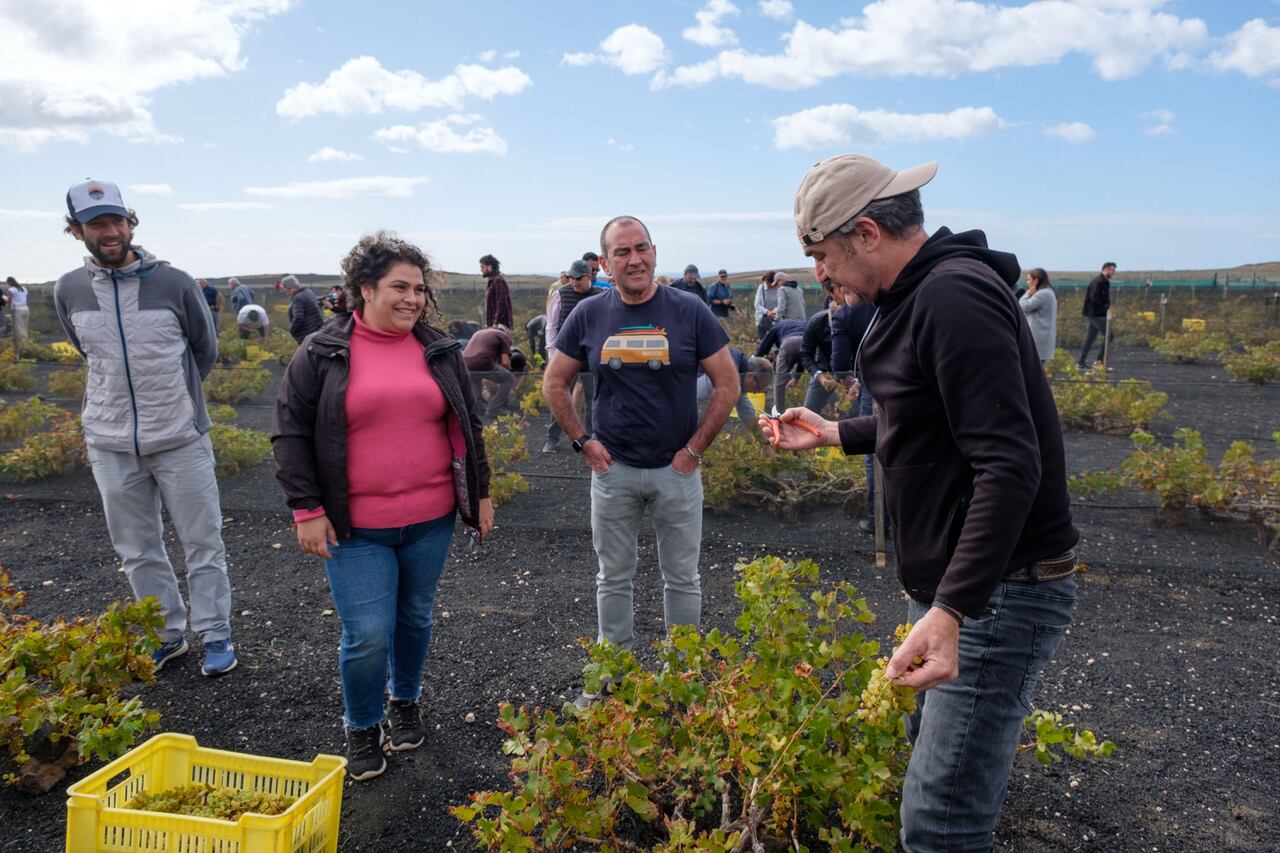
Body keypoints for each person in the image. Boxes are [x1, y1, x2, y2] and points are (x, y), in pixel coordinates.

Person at [769, 153, 1079, 851]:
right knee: (929, 785)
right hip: (968, 590)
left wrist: (951, 609)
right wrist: (835, 432)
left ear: (870, 233)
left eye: (823, 254)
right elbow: (937, 418)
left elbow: (1009, 461)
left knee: (941, 823)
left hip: (996, 593)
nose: (820, 273)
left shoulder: (951, 297)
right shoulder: (915, 296)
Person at [273, 231, 493, 781]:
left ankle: (405, 702)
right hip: (356, 528)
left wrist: (481, 494)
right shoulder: (322, 351)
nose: (412, 298)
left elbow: (470, 425)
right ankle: (362, 724)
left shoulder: (439, 350)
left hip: (431, 519)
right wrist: (306, 509)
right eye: (400, 286)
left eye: (419, 289)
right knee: (367, 632)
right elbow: (291, 433)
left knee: (415, 616)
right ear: (364, 289)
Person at [543, 215, 737, 706]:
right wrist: (583, 441)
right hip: (614, 470)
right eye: (622, 252)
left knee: (683, 577)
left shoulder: (689, 310)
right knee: (613, 576)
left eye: (642, 248)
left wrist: (693, 452)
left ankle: (683, 680)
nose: (635, 259)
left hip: (677, 472)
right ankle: (612, 678)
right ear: (605, 262)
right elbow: (553, 383)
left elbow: (728, 384)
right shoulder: (588, 313)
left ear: (654, 251)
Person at [54, 179, 235, 677]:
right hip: (110, 442)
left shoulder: (175, 283)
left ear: (131, 223)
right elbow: (84, 352)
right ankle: (167, 634)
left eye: (117, 221)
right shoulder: (68, 290)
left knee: (203, 541)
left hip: (180, 437)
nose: (109, 232)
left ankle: (216, 633)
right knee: (136, 548)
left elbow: (205, 350)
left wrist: (174, 401)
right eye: (96, 224)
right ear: (76, 231)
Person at [543, 259, 601, 452]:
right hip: (565, 354)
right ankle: (552, 438)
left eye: (577, 278)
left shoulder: (601, 296)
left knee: (594, 398)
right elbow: (551, 326)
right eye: (571, 278)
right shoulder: (560, 295)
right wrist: (552, 355)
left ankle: (593, 439)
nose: (573, 282)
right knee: (559, 395)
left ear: (588, 277)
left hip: (591, 355)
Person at [696, 347, 774, 450]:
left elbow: (747, 414)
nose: (755, 393)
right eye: (758, 388)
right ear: (751, 376)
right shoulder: (726, 373)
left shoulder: (737, 373)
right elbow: (694, 397)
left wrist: (765, 444)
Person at [463, 324, 517, 422]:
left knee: (475, 381)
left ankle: (478, 409)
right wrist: (506, 373)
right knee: (509, 378)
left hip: (465, 362)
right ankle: (493, 409)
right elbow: (505, 363)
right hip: (482, 361)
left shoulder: (479, 333)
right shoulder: (503, 335)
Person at [754, 317, 805, 410]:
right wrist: (796, 378)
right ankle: (836, 406)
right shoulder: (800, 323)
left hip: (789, 343)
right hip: (806, 342)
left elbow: (765, 345)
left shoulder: (777, 326)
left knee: (779, 382)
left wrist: (755, 359)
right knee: (817, 377)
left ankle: (779, 412)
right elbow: (803, 361)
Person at [1078, 262, 1115, 368]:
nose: (1114, 272)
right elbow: (1094, 298)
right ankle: (1099, 361)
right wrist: (1106, 307)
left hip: (1096, 314)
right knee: (1109, 336)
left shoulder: (1104, 281)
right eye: (1112, 270)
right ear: (1106, 269)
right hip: (1096, 314)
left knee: (1090, 338)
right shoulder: (1098, 282)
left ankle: (1081, 362)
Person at [1019, 268, 1057, 364]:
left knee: (1032, 372)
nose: (1028, 282)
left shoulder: (1042, 294)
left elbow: (1023, 306)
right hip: (1042, 339)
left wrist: (1027, 294)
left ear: (1036, 280)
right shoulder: (1048, 292)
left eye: (1029, 279)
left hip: (1038, 340)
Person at [283, 274, 324, 343]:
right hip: (317, 331)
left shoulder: (297, 298)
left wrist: (292, 330)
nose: (287, 292)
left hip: (306, 335)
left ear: (290, 287)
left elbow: (298, 318)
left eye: (286, 289)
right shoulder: (308, 292)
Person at [479, 253, 512, 328]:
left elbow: (501, 303)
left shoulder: (498, 281)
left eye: (482, 267)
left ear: (489, 267)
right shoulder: (492, 281)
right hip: (494, 325)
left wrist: (496, 323)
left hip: (499, 325)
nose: (481, 270)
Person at [753, 270, 781, 339]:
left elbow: (781, 303)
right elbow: (757, 304)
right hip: (763, 319)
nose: (766, 284)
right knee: (763, 341)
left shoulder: (780, 289)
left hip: (776, 319)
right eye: (765, 282)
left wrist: (774, 311)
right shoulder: (761, 288)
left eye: (767, 283)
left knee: (776, 339)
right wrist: (767, 311)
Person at [6, 277, 29, 342]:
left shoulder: (11, 289)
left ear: (9, 282)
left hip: (17, 309)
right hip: (26, 308)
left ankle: (24, 343)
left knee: (20, 327)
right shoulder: (24, 288)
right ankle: (26, 341)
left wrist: (9, 308)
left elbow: (9, 300)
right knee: (25, 327)